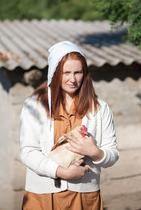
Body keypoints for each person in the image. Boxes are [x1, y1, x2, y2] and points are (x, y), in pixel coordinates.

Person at [19, 41, 119, 210]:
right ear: (55, 73)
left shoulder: (99, 108)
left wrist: (95, 153)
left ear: (85, 74)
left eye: (78, 72)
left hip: (83, 196)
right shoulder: (33, 106)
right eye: (66, 72)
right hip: (42, 197)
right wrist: (60, 171)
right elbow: (28, 151)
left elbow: (113, 154)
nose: (72, 79)